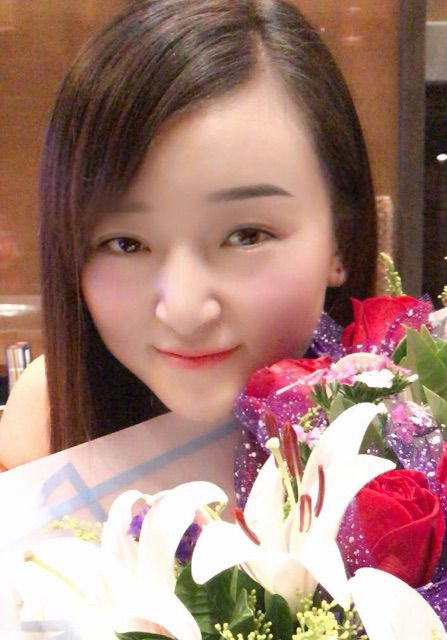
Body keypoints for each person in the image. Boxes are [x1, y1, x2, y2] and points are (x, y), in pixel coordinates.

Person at [0, 0, 377, 471]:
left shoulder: (424, 430)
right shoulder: (43, 427)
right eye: (126, 243)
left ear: (340, 238)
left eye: (246, 235)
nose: (184, 312)